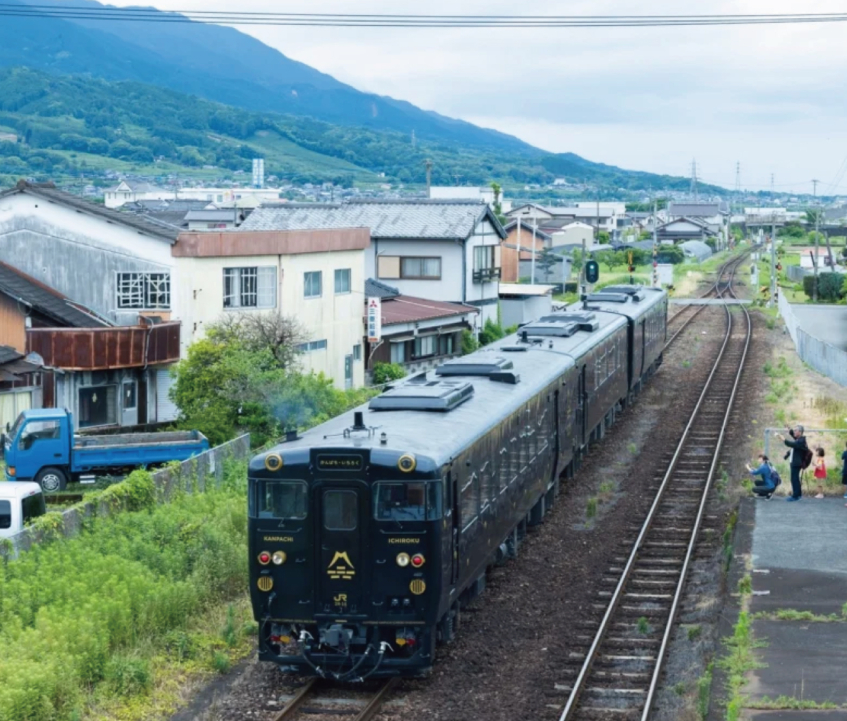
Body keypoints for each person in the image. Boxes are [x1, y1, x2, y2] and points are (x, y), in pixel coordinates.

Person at [777, 425, 809, 502]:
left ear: (800, 432)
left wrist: (783, 439)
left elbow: (791, 444)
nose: (794, 432)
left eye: (795, 430)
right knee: (795, 479)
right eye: (794, 430)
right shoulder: (799, 439)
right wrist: (789, 430)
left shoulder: (801, 441)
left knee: (794, 479)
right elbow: (794, 437)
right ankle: (798, 495)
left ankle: (795, 496)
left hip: (797, 463)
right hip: (795, 462)